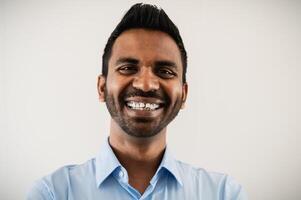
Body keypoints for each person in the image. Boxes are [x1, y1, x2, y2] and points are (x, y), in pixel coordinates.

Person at [27, 3, 247, 200]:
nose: (146, 84)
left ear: (184, 94)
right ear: (102, 88)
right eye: (127, 68)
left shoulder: (223, 193)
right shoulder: (53, 193)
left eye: (165, 71)